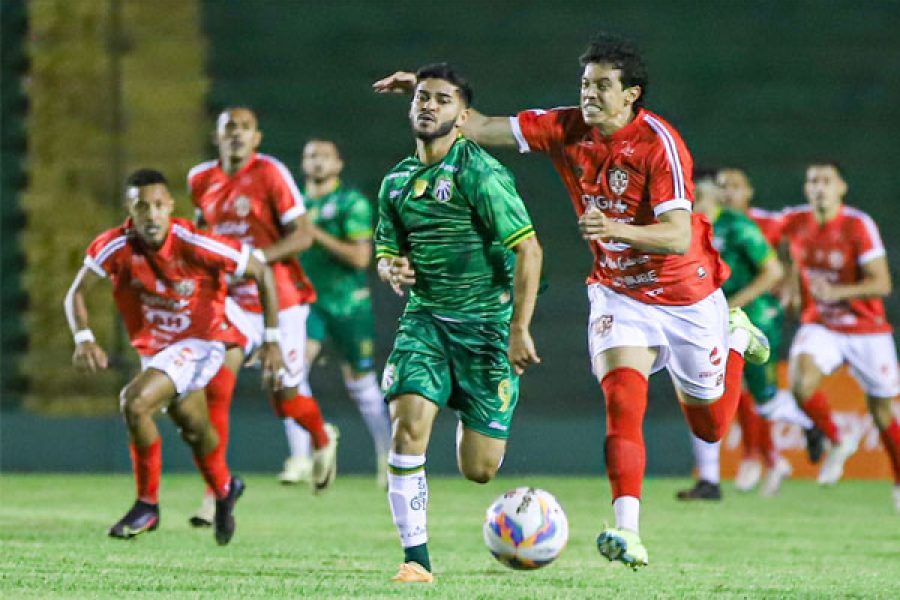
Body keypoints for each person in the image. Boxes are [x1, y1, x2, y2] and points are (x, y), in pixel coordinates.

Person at [374, 32, 770, 569]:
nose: (590, 94)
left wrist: (614, 227)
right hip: (618, 292)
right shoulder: (565, 126)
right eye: (586, 84)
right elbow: (484, 126)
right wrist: (424, 97)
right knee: (623, 401)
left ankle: (737, 337)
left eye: (603, 86)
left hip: (685, 291)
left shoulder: (661, 144)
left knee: (711, 428)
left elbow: (678, 235)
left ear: (631, 95)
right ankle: (626, 530)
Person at [375, 63, 543, 583]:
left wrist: (519, 327)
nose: (428, 105)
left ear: (462, 115)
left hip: (488, 331)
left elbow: (529, 250)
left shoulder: (481, 173)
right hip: (425, 321)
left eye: (442, 99)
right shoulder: (397, 182)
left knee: (479, 469)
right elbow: (387, 251)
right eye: (422, 97)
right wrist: (391, 267)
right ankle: (416, 561)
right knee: (408, 428)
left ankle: (464, 410)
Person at [63, 169, 283, 545]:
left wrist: (273, 339)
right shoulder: (116, 244)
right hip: (158, 349)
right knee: (193, 428)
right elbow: (75, 293)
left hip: (202, 341)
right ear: (128, 210)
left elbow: (261, 270)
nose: (151, 215)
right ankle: (226, 487)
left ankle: (147, 505)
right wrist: (83, 337)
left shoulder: (195, 242)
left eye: (159, 205)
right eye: (141, 206)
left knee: (134, 403)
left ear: (171, 207)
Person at [187, 107, 339, 526]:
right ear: (216, 136)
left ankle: (323, 438)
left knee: (284, 397)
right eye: (228, 128)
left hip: (282, 300)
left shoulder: (271, 173)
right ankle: (214, 491)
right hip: (232, 303)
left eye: (244, 128)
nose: (236, 134)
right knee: (216, 388)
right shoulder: (200, 179)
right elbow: (202, 237)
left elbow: (304, 235)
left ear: (257, 138)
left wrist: (254, 260)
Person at [781, 162, 899, 507]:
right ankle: (837, 438)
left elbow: (882, 283)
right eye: (812, 180)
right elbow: (772, 236)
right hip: (822, 324)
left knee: (882, 412)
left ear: (841, 187)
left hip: (867, 329)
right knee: (801, 384)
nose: (819, 187)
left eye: (826, 181)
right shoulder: (795, 221)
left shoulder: (858, 225)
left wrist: (837, 293)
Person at [675, 170, 794, 500]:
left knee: (758, 397)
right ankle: (715, 477)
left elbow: (774, 271)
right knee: (701, 389)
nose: (692, 195)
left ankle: (808, 432)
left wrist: (731, 306)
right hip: (700, 320)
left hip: (745, 318)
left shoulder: (737, 226)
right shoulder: (680, 225)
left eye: (698, 190)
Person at [279, 139, 391, 487]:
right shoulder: (293, 204)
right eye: (310, 156)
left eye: (324, 156)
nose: (316, 162)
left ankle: (388, 455)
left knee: (362, 383)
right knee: (291, 373)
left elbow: (360, 258)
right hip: (305, 302)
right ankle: (301, 455)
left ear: (338, 164)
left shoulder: (351, 202)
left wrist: (315, 235)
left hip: (348, 305)